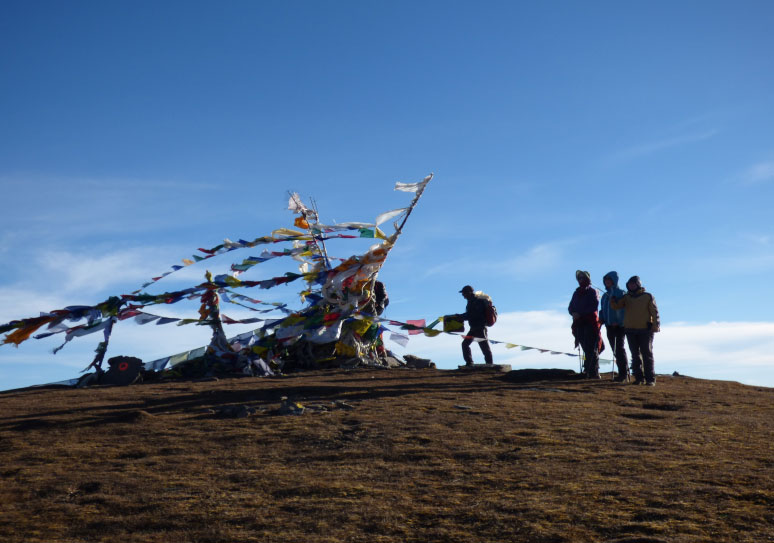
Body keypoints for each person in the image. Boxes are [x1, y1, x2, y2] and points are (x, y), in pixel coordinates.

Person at [610, 276, 660, 386]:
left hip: (645, 330)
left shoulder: (647, 296)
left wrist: (656, 326)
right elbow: (617, 306)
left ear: (638, 284)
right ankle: (639, 378)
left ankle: (650, 379)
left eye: (633, 284)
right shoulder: (626, 297)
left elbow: (654, 311)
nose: (631, 286)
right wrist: (613, 300)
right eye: (629, 284)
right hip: (630, 330)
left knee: (647, 354)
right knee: (635, 355)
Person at [568, 270, 602, 378]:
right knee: (585, 347)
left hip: (590, 323)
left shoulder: (593, 291)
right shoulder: (576, 293)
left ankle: (594, 371)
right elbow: (570, 307)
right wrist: (573, 313)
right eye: (579, 278)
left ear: (587, 279)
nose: (581, 280)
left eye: (583, 278)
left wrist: (580, 314)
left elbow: (594, 306)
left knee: (591, 347)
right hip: (579, 323)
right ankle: (587, 369)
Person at [600, 271, 629, 381]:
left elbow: (624, 310)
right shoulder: (605, 295)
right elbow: (602, 309)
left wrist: (619, 322)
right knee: (615, 350)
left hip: (620, 326)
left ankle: (624, 373)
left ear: (614, 280)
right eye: (605, 280)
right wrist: (601, 318)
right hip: (609, 325)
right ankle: (622, 372)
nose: (607, 282)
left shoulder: (621, 293)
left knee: (619, 349)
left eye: (609, 280)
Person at [457, 285, 493, 366]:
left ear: (469, 292)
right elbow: (470, 314)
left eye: (464, 293)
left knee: (484, 347)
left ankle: (490, 365)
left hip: (480, 327)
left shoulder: (477, 301)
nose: (463, 295)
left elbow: (474, 314)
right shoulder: (471, 301)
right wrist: (461, 316)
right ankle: (469, 363)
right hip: (473, 328)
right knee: (465, 344)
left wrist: (461, 317)